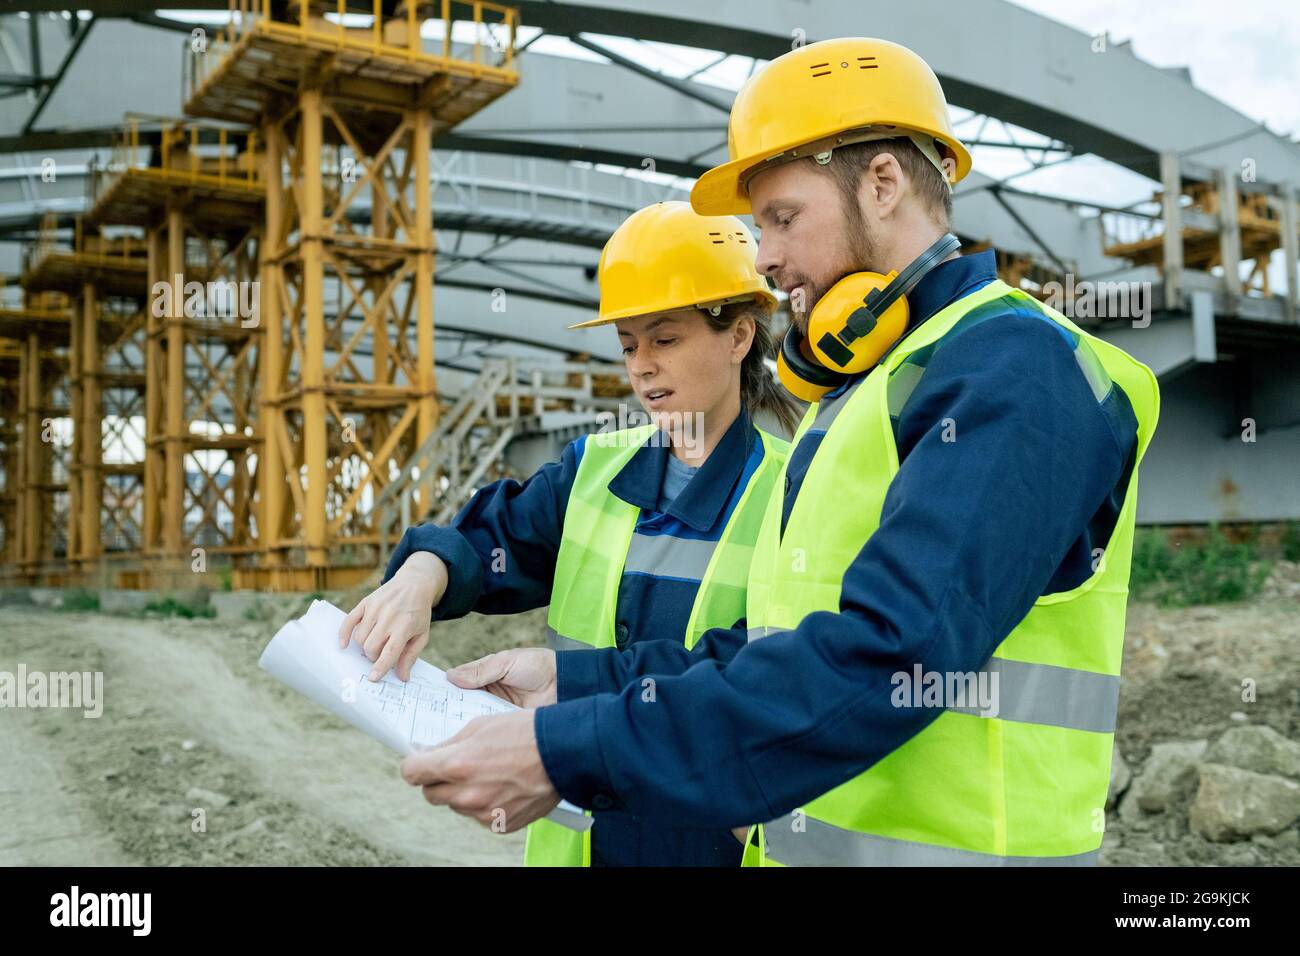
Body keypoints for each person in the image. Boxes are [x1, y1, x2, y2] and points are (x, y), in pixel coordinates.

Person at [398, 36, 1161, 867]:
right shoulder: (874, 387)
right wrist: (576, 689)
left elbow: (888, 655)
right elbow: (781, 644)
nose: (763, 257)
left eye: (782, 218)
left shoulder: (1016, 368)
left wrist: (572, 750)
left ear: (881, 182)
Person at [342, 200, 800, 865]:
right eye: (628, 344)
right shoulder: (592, 472)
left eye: (664, 339)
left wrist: (571, 684)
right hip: (584, 839)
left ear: (738, 337)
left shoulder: (793, 495)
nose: (640, 366)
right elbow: (490, 539)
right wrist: (424, 573)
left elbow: (772, 671)